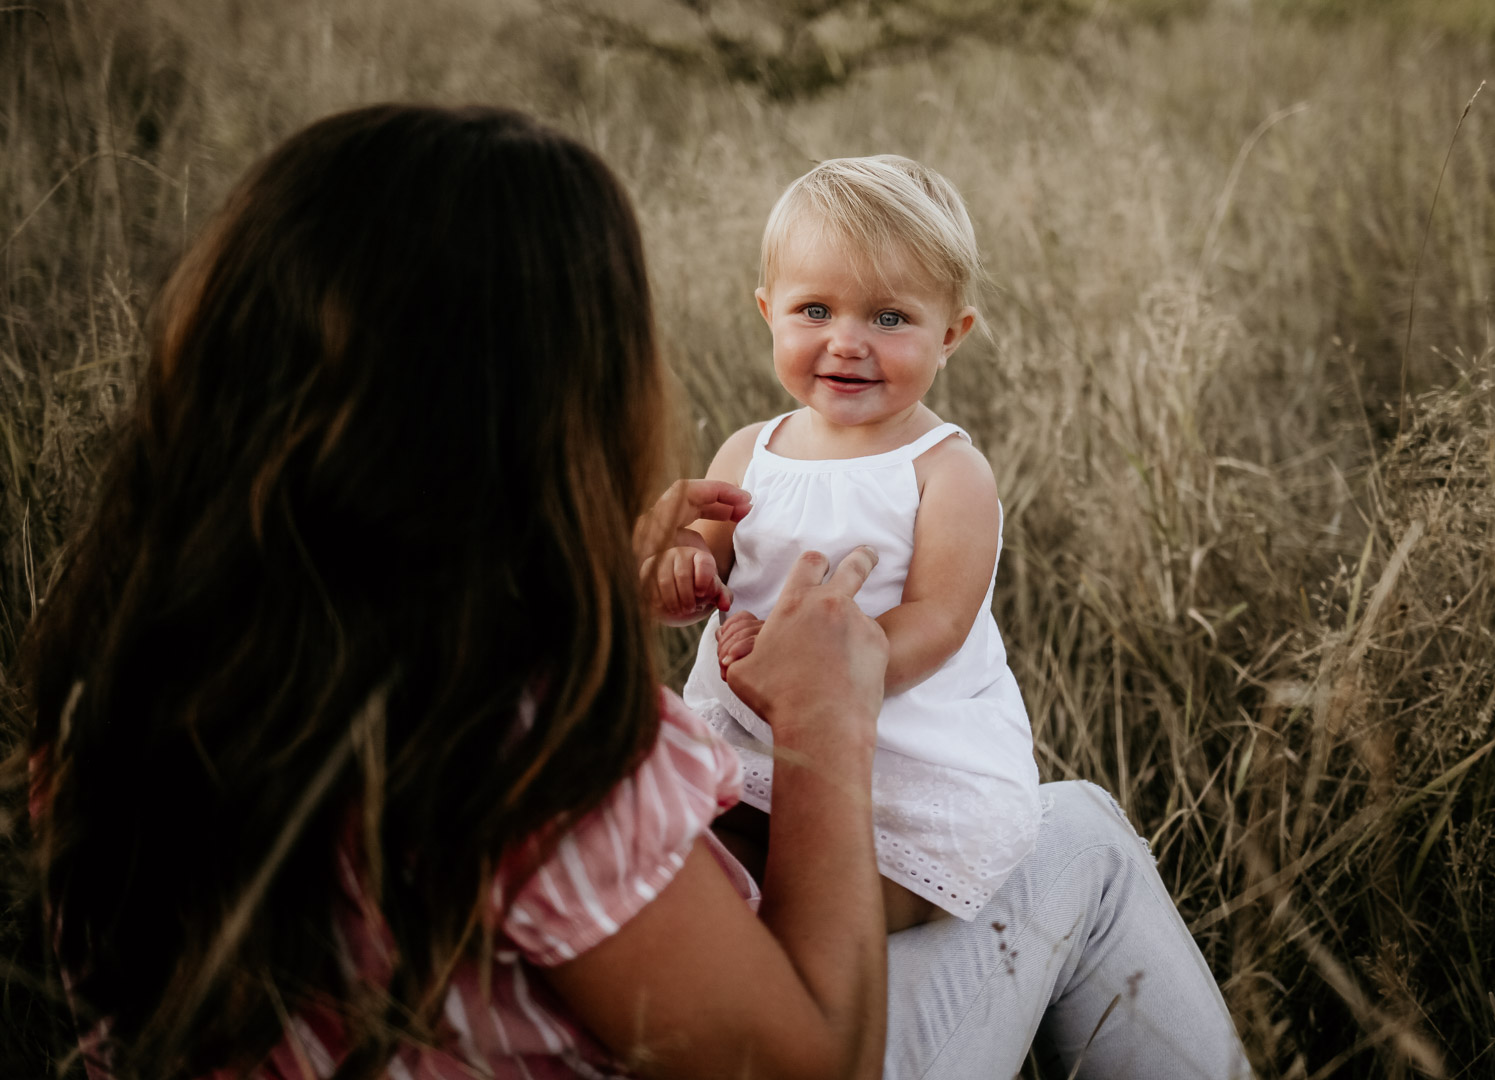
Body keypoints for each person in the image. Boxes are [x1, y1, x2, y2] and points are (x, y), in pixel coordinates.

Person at [19, 104, 1249, 1080]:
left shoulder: (120, 677)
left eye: (886, 315)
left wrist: (589, 582)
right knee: (1076, 833)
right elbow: (813, 1067)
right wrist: (822, 725)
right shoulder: (521, 746)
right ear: (542, 400)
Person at [658, 155, 1039, 933]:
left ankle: (849, 979)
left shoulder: (945, 471)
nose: (846, 342)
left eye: (889, 318)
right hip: (748, 746)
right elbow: (702, 562)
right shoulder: (747, 451)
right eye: (814, 310)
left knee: (825, 922)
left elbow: (938, 620)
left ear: (950, 335)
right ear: (767, 310)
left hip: (894, 766)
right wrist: (679, 570)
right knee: (693, 872)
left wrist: (819, 670)